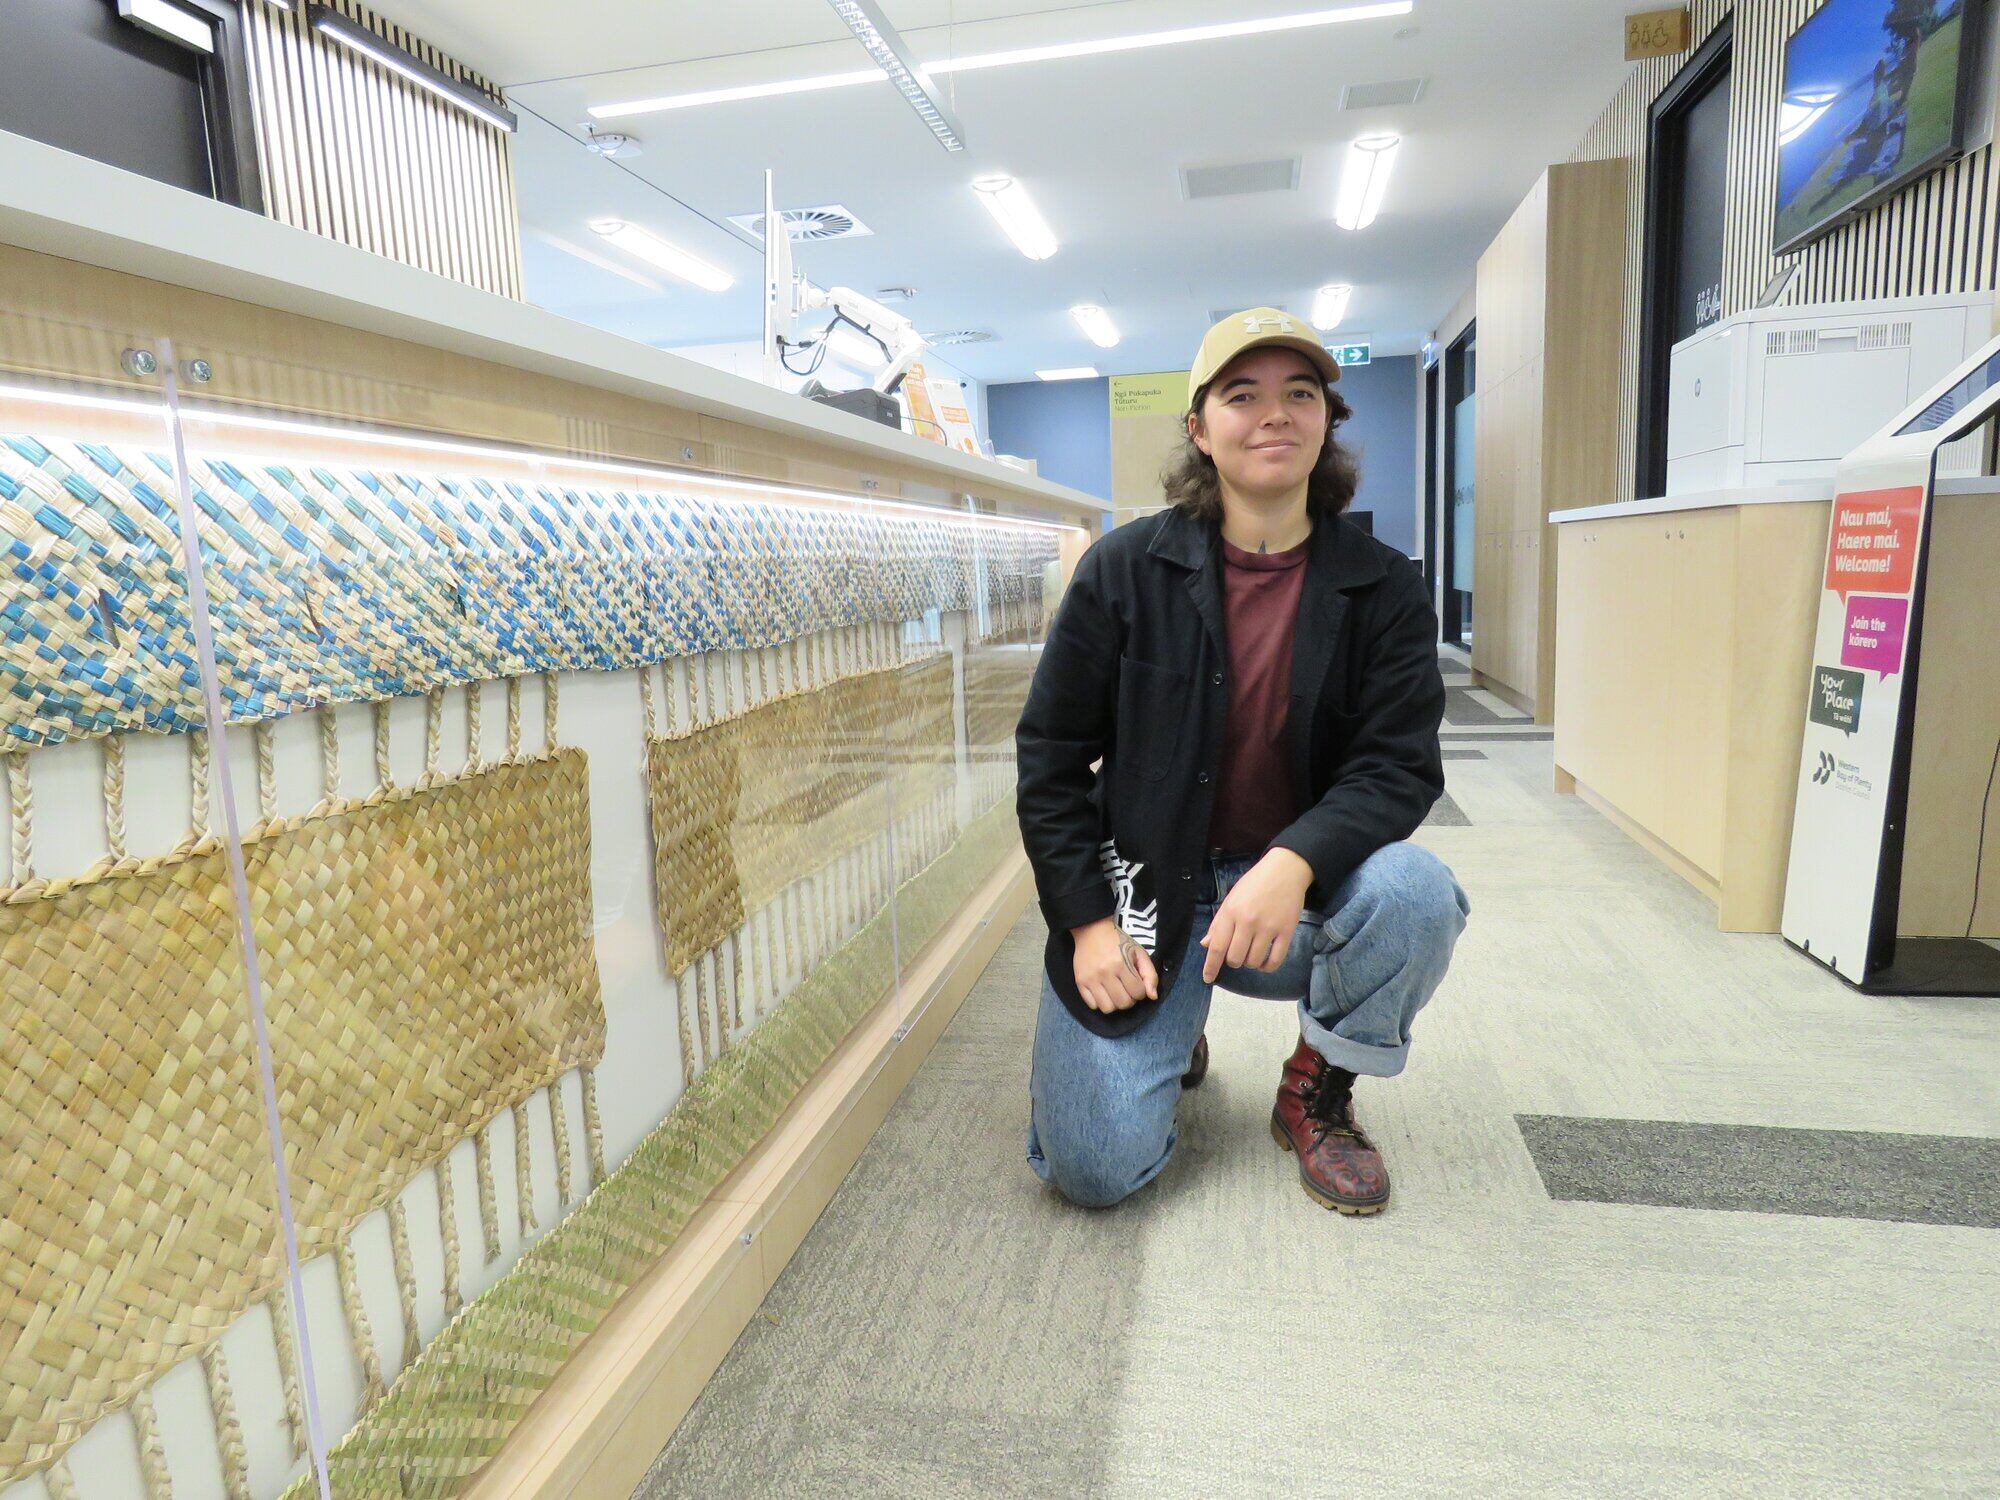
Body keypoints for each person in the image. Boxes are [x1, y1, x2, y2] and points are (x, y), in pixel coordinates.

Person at [1015, 307, 1470, 1215]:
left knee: (1417, 894)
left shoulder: (1384, 586)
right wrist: (1089, 927)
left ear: (1326, 421)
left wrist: (1293, 862)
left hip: (1295, 899)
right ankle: (1171, 1029)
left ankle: (1317, 1085)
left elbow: (1397, 768)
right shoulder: (1121, 571)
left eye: (1300, 393)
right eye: (1242, 395)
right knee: (1092, 1171)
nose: (1274, 414)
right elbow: (1052, 759)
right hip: (1147, 888)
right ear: (1199, 427)